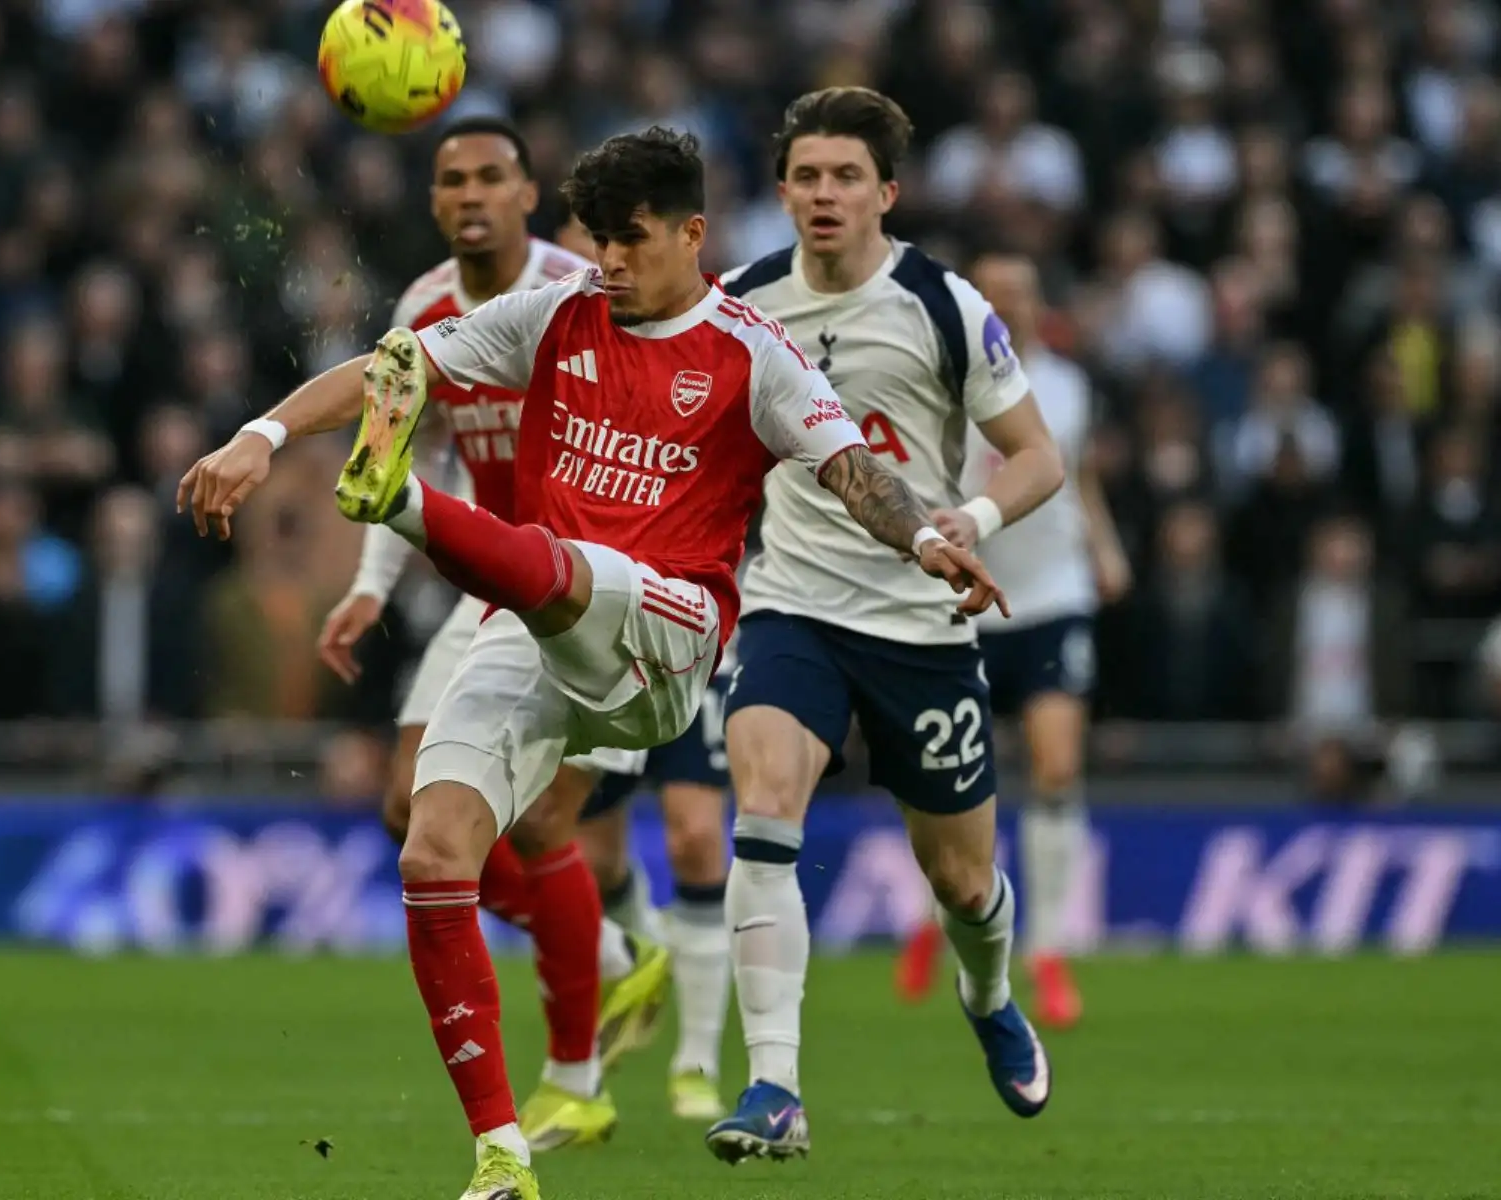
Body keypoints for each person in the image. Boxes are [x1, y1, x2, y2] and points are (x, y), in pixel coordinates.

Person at [179, 126, 1002, 1200]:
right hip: (533, 623)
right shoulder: (558, 315)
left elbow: (853, 470)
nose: (607, 262)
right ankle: (501, 1154)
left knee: (569, 565)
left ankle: (413, 506)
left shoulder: (753, 352)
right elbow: (396, 366)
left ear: (692, 235)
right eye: (599, 241)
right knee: (432, 853)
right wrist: (262, 437)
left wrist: (931, 540)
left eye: (631, 241)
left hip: (665, 639)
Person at [709, 88, 1067, 1164]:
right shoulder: (738, 303)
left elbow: (1041, 455)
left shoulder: (945, 306)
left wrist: (979, 513)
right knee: (765, 803)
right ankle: (774, 1084)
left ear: (887, 193)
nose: (825, 195)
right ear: (782, 192)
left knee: (962, 882)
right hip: (791, 607)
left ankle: (989, 992)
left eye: (846, 177)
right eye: (807, 177)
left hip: (921, 627)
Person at [311, 116, 670, 1153]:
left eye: (492, 177)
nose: (471, 194)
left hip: (591, 590)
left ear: (527, 194)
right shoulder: (423, 307)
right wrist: (374, 586)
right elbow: (400, 439)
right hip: (485, 587)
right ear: (434, 203)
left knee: (545, 824)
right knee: (400, 806)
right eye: (451, 179)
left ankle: (576, 1079)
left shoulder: (591, 287)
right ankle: (605, 954)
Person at [897, 251, 1132, 1029]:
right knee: (955, 776)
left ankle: (1049, 949)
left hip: (1053, 595)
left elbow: (1079, 476)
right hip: (967, 596)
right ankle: (945, 914)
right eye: (994, 295)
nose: (1009, 306)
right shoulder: (942, 385)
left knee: (1057, 768)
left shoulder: (1067, 383)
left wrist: (1104, 547)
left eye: (1021, 293)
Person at [575, 639, 736, 1121]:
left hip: (698, 645)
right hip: (605, 652)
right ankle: (645, 951)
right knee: (593, 864)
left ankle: (697, 1066)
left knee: (698, 839)